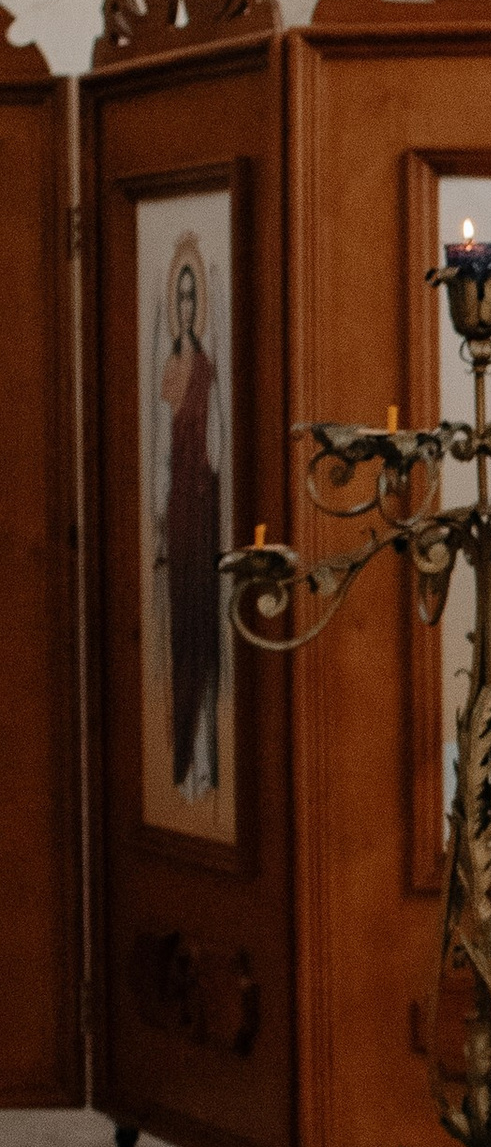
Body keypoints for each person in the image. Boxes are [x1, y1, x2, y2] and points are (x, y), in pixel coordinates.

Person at [156, 252, 223, 799]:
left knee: (203, 633)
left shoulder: (205, 371)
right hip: (177, 514)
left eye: (192, 297)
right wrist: (160, 515)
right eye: (180, 297)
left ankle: (204, 758)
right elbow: (159, 448)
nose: (185, 306)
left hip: (203, 513)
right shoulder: (170, 370)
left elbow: (218, 447)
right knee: (182, 633)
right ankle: (183, 760)